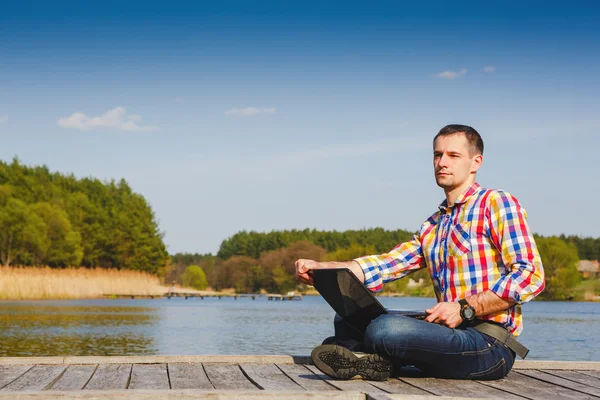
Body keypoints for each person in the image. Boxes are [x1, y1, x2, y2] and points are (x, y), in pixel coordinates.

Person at [296, 124, 545, 381]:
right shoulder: (433, 225)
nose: (442, 163)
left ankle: (367, 354)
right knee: (347, 317)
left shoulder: (496, 203)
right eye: (437, 155)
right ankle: (373, 361)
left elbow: (531, 276)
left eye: (453, 155)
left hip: (489, 344)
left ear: (475, 162)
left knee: (385, 330)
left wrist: (464, 309)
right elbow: (388, 264)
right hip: (446, 333)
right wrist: (324, 268)